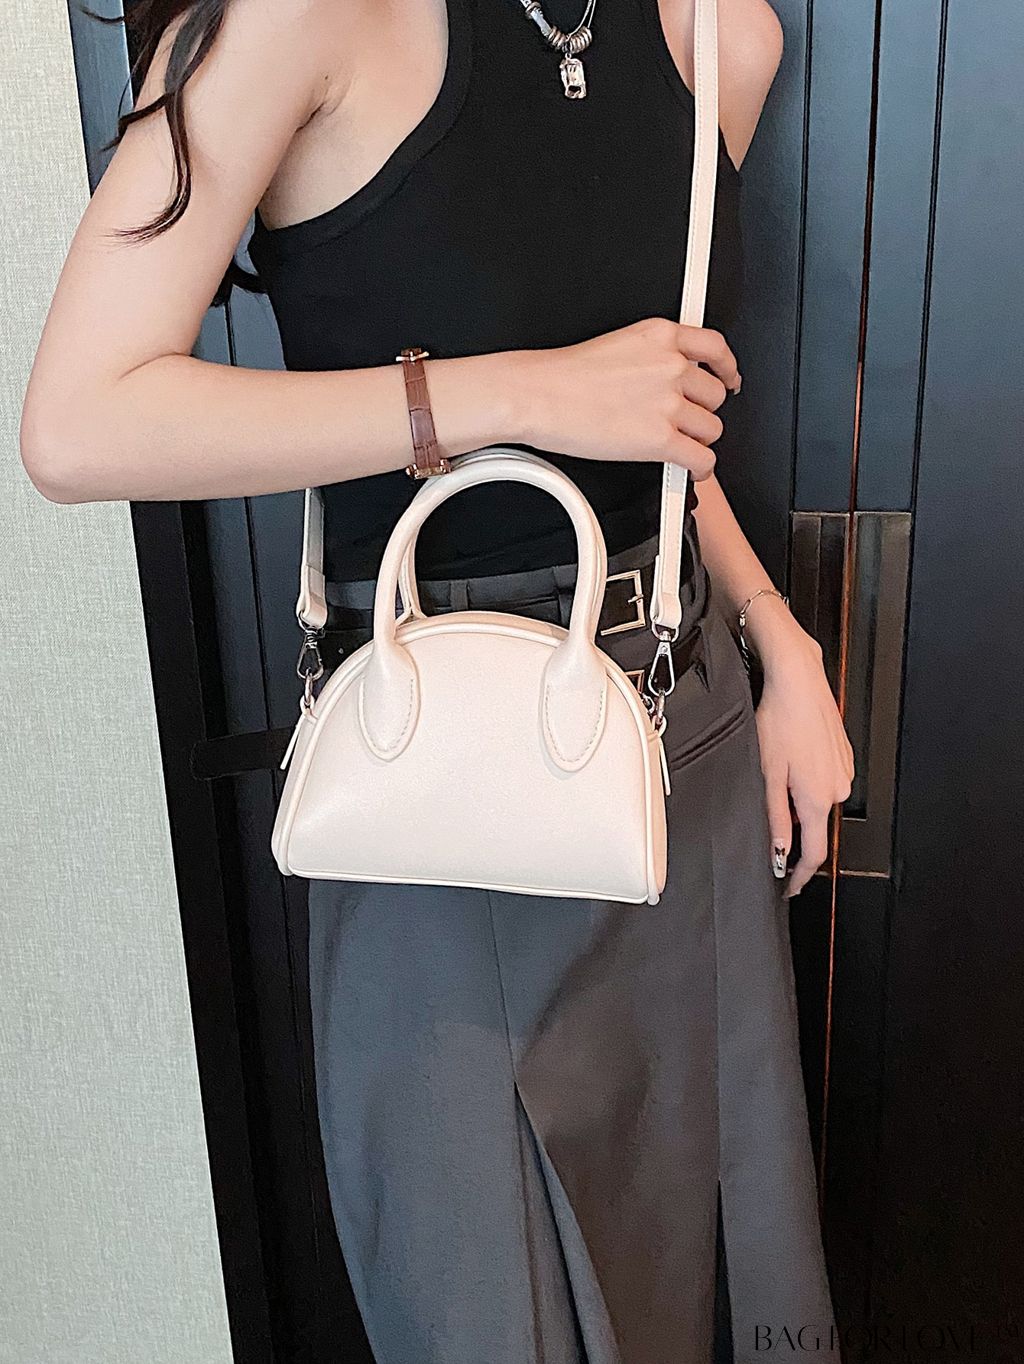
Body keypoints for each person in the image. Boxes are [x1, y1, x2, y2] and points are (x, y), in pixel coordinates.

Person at [21, 0, 853, 1358]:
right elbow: (78, 421)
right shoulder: (302, 20)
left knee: (710, 1257)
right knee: (486, 1300)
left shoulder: (722, 37)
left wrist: (782, 643)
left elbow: (657, 423)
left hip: (678, 728)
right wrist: (512, 394)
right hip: (438, 773)